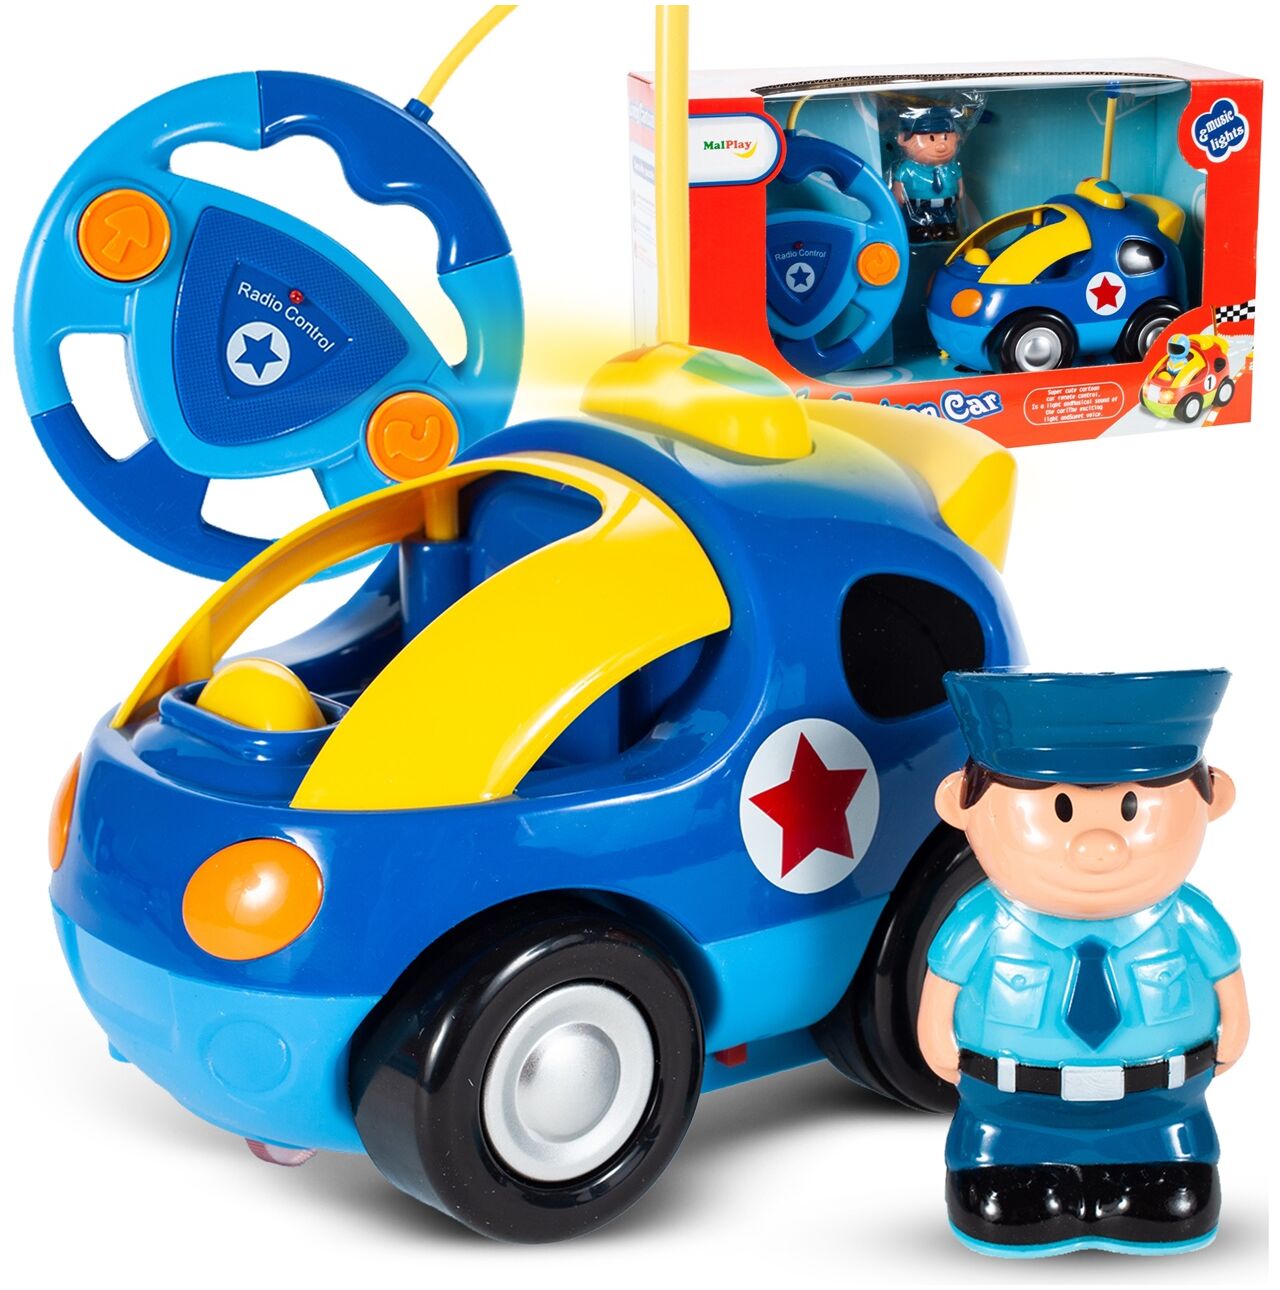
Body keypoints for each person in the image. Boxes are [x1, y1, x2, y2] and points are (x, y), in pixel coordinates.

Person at [918, 668, 1248, 1257]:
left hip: (1161, 1110)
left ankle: (1159, 1173)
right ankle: (1007, 1173)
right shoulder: (982, 921)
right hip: (1011, 1112)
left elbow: (1227, 979)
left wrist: (1236, 1030)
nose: (1100, 846)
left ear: (1213, 797)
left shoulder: (1188, 919)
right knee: (1009, 1202)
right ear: (960, 803)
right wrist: (936, 1041)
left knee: (1169, 1200)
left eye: (1130, 807)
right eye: (1061, 809)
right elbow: (943, 983)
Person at [891, 106, 966, 242]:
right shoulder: (908, 168)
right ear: (903, 139)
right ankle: (919, 235)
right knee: (919, 232)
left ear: (956, 137)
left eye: (945, 137)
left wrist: (960, 191)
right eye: (931, 138)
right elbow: (899, 185)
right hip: (918, 210)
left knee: (948, 230)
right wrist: (898, 197)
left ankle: (947, 233)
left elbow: (958, 179)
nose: (941, 146)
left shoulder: (951, 166)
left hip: (947, 208)